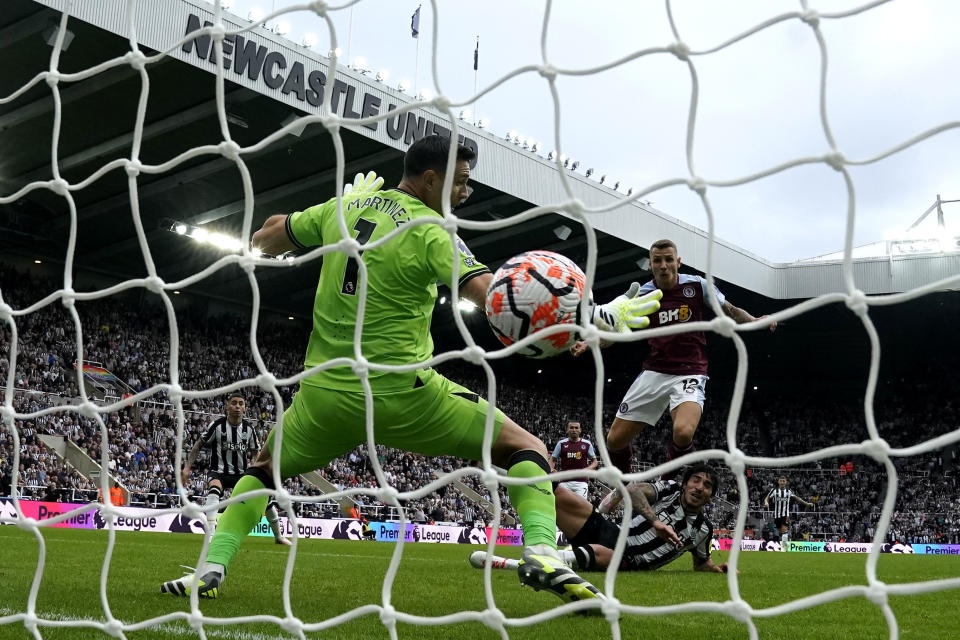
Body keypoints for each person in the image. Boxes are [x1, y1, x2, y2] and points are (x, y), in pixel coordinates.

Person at [161, 135, 658, 605]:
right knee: (522, 447)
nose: (465, 192)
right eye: (460, 181)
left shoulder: (346, 208)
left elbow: (265, 239)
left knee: (264, 470)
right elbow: (497, 302)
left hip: (325, 395)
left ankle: (211, 568)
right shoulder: (431, 230)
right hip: (403, 393)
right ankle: (543, 552)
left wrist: (334, 210)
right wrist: (588, 320)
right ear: (427, 179)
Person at [576, 239, 775, 512]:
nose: (663, 265)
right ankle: (624, 488)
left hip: (691, 371)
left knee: (682, 431)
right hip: (654, 371)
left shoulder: (697, 286)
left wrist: (753, 321)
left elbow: (728, 310)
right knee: (614, 441)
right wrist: (590, 342)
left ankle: (666, 485)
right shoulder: (643, 294)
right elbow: (614, 330)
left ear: (678, 262)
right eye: (657, 260)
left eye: (669, 259)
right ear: (651, 265)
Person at [470, 464, 732, 574]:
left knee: (605, 553)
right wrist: (655, 521)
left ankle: (518, 563)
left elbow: (701, 562)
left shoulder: (703, 530)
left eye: (707, 485)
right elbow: (631, 490)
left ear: (710, 496)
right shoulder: (672, 489)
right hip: (614, 533)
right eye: (695, 481)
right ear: (686, 484)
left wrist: (717, 569)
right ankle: (510, 470)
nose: (699, 487)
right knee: (558, 493)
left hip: (631, 559)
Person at [179, 393, 289, 546]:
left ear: (244, 408)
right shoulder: (217, 426)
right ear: (227, 406)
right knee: (214, 489)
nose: (237, 406)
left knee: (266, 499)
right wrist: (187, 468)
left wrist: (262, 474)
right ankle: (211, 534)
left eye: (241, 403)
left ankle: (278, 536)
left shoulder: (249, 430)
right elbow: (198, 445)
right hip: (219, 471)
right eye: (234, 403)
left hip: (242, 474)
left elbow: (257, 453)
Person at [548, 420, 597, 500]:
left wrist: (588, 469)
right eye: (571, 428)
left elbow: (595, 462)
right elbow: (552, 459)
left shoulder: (587, 444)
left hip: (581, 482)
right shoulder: (561, 444)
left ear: (580, 430)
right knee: (564, 507)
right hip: (564, 482)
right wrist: (551, 469)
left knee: (581, 507)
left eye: (576, 428)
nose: (574, 430)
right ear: (567, 430)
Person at [764, 475, 814, 546]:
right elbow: (767, 498)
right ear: (778, 482)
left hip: (785, 514)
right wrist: (766, 502)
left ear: (786, 482)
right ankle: (785, 539)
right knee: (780, 531)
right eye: (781, 481)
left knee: (784, 530)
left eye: (783, 481)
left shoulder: (788, 491)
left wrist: (806, 503)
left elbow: (797, 498)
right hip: (777, 515)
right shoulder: (774, 490)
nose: (782, 482)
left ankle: (784, 547)